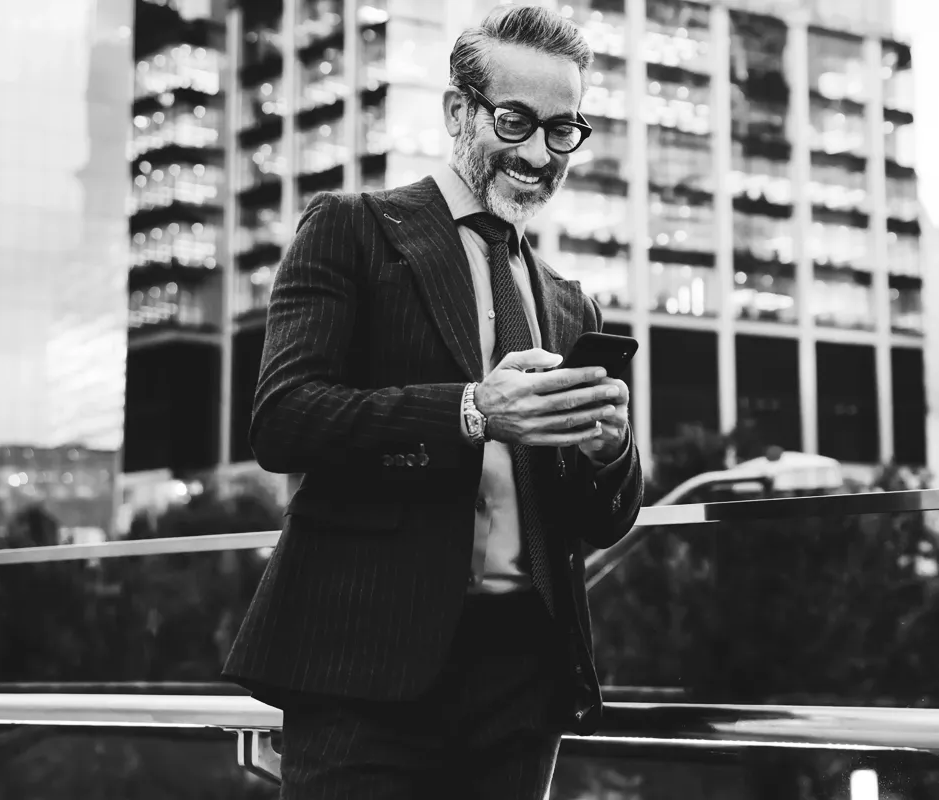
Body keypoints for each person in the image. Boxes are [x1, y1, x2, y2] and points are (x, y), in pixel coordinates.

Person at [221, 5, 644, 797]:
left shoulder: (570, 304)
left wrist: (608, 448)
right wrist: (472, 411)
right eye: (515, 121)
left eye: (562, 130)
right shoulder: (353, 230)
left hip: (523, 680)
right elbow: (283, 418)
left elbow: (606, 520)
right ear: (458, 111)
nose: (538, 153)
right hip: (364, 667)